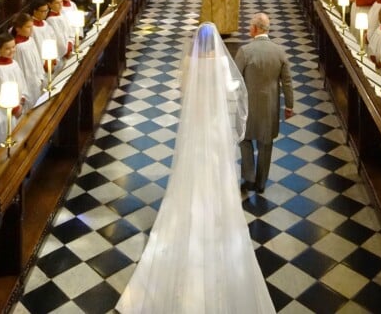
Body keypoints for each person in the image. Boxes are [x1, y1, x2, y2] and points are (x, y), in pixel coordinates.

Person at [116, 22, 275, 314]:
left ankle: (189, 213)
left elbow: (183, 90)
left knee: (190, 171)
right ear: (215, 44)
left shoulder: (189, 62)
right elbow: (233, 92)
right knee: (216, 169)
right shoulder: (221, 65)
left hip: (194, 127)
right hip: (214, 128)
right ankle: (216, 211)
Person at [235, 12, 294, 193]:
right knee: (266, 144)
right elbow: (287, 82)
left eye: (250, 26)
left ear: (255, 29)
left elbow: (236, 79)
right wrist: (289, 105)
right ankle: (261, 183)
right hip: (270, 107)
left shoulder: (245, 51)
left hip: (248, 107)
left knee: (245, 140)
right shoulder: (279, 52)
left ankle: (249, 177)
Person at [0, 32, 29, 117]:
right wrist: (15, 108)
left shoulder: (14, 63)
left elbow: (21, 82)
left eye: (13, 47)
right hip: (8, 111)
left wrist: (22, 97)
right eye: (7, 49)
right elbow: (1, 92)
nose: (12, 50)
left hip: (20, 105)